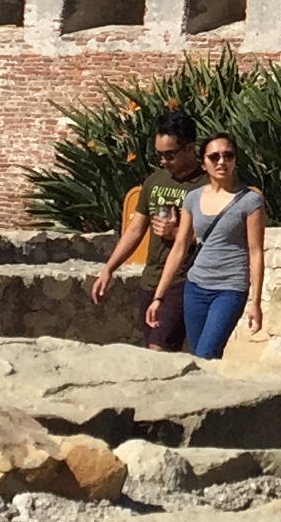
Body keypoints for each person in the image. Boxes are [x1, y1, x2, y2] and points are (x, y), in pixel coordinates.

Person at [148, 132, 268, 358]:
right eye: (214, 157)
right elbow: (180, 246)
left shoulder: (250, 201)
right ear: (203, 163)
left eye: (228, 156)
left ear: (234, 161)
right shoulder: (192, 198)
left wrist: (256, 302)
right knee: (198, 358)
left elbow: (255, 252)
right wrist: (159, 297)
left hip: (230, 288)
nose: (221, 162)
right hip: (195, 287)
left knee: (207, 353)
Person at [91, 108, 200, 348]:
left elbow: (219, 237)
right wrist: (109, 269)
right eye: (159, 155)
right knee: (151, 348)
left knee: (158, 348)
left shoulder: (206, 185)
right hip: (150, 279)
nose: (163, 161)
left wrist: (178, 234)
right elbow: (135, 230)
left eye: (170, 155)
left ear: (190, 148)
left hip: (183, 280)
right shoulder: (154, 181)